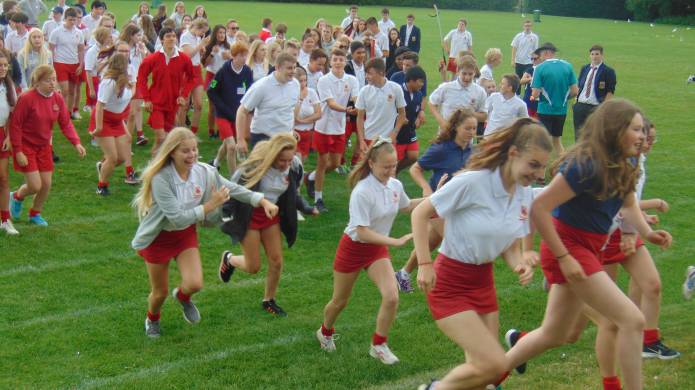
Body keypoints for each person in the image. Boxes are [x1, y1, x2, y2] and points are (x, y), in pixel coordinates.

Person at [502, 99, 672, 390]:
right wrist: (565, 256)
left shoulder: (627, 162)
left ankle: (486, 377)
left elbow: (628, 202)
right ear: (614, 129)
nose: (643, 136)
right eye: (636, 129)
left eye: (644, 129)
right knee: (631, 319)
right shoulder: (586, 165)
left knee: (555, 335)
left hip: (587, 249)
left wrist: (646, 232)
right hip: (570, 247)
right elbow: (540, 208)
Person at [414, 119, 550, 390]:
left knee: (484, 373)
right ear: (513, 154)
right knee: (496, 365)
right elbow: (420, 213)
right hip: (450, 282)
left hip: (482, 281)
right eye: (533, 164)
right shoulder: (473, 182)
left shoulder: (522, 193)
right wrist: (424, 263)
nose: (538, 174)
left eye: (543, 167)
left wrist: (519, 263)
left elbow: (508, 244)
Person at [131, 127, 275, 338]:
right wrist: (210, 205)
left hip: (184, 234)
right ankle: (152, 318)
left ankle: (182, 297)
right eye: (185, 151)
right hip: (159, 238)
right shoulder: (161, 179)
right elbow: (177, 217)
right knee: (159, 292)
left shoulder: (204, 172)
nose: (192, 155)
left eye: (194, 150)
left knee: (195, 283)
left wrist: (261, 201)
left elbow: (231, 188)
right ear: (172, 152)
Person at [316, 138, 421, 365]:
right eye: (386, 166)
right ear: (371, 164)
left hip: (376, 249)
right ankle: (324, 332)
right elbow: (361, 232)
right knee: (340, 301)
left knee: (392, 296)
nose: (391, 171)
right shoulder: (362, 191)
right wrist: (393, 241)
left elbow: (407, 206)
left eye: (394, 166)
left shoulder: (395, 185)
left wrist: (436, 198)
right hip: (353, 248)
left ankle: (378, 344)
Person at [218, 133, 315, 317]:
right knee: (253, 267)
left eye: (289, 159)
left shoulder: (294, 166)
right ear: (272, 155)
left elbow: (293, 193)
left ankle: (269, 300)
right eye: (281, 160)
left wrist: (307, 208)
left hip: (271, 214)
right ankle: (229, 259)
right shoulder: (253, 167)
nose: (286, 164)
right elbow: (233, 189)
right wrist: (227, 212)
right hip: (249, 215)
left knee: (277, 261)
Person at [395, 109, 476, 293]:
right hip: (439, 203)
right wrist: (426, 188)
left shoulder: (472, 151)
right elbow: (415, 169)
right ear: (456, 128)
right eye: (468, 128)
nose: (472, 132)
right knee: (454, 241)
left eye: (474, 128)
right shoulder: (442, 149)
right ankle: (452, 283)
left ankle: (403, 273)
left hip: (459, 206)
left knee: (430, 242)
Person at [9, 65, 86, 226]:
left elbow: (65, 123)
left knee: (46, 185)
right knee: (35, 185)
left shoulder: (57, 98)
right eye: (47, 80)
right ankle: (16, 197)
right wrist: (18, 151)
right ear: (37, 83)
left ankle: (35, 214)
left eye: (54, 79)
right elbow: (15, 125)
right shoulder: (27, 98)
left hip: (44, 147)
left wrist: (76, 142)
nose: (52, 83)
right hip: (26, 146)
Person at [305, 48, 359, 213]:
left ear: (345, 62)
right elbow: (330, 103)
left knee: (335, 163)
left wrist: (358, 107)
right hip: (324, 126)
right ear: (331, 61)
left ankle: (310, 177)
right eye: (335, 59)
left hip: (339, 127)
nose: (337, 62)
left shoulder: (352, 80)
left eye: (341, 60)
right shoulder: (324, 80)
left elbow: (356, 99)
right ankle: (318, 199)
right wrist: (348, 110)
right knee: (322, 163)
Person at [136, 27, 195, 154]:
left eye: (174, 36)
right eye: (168, 36)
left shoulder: (184, 59)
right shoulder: (153, 58)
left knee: (166, 139)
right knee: (161, 137)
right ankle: (155, 168)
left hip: (172, 104)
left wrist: (183, 95)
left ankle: (157, 167)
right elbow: (141, 78)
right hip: (156, 103)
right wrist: (146, 99)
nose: (172, 38)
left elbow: (192, 78)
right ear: (162, 39)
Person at [88, 52, 135, 196]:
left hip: (117, 120)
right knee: (113, 157)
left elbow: (128, 96)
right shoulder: (109, 82)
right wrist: (99, 127)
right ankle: (102, 185)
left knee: (121, 157)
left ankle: (103, 166)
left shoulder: (126, 80)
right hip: (105, 120)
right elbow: (100, 105)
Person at [236, 52, 299, 154]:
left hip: (286, 137)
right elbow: (242, 111)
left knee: (284, 168)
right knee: (263, 169)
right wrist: (240, 139)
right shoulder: (262, 86)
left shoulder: (295, 84)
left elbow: (289, 110)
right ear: (278, 67)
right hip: (264, 137)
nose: (293, 71)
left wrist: (292, 130)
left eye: (294, 68)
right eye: (289, 68)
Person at [207, 41, 253, 175]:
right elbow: (211, 90)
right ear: (233, 56)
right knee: (232, 146)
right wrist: (220, 107)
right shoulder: (223, 71)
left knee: (228, 143)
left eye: (246, 55)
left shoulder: (247, 71)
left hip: (238, 115)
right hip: (223, 115)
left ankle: (215, 163)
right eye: (241, 55)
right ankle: (234, 181)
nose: (244, 58)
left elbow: (250, 91)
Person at [530, 42, 578, 155]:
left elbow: (535, 94)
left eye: (540, 54)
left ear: (546, 53)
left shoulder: (539, 68)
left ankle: (541, 171)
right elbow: (575, 91)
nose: (539, 57)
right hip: (561, 110)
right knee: (557, 141)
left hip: (545, 110)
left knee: (542, 143)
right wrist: (564, 98)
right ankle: (564, 167)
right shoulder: (568, 66)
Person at [356, 58, 406, 152]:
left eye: (370, 73)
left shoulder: (395, 89)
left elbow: (402, 114)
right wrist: (361, 140)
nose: (367, 76)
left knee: (386, 165)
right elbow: (360, 117)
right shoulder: (364, 91)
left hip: (387, 139)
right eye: (366, 73)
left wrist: (393, 135)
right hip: (369, 137)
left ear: (381, 73)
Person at [429, 56, 487, 131]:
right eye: (464, 74)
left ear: (475, 73)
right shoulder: (447, 87)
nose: (467, 77)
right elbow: (431, 103)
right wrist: (442, 122)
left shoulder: (480, 92)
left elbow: (484, 116)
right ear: (458, 71)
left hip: (466, 138)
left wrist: (470, 114)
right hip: (446, 134)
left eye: (470, 74)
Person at [573, 44, 616, 140]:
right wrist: (576, 101)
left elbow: (610, 91)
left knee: (594, 135)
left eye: (597, 54)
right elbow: (579, 85)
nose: (594, 56)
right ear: (590, 55)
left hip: (595, 106)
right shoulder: (585, 68)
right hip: (580, 105)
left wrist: (604, 107)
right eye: (592, 54)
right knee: (578, 134)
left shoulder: (608, 71)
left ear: (602, 55)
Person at [48, 7, 84, 122]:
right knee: (65, 90)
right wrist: (52, 65)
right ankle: (59, 112)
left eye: (74, 20)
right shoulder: (56, 32)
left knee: (73, 90)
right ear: (65, 19)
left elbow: (80, 50)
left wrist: (81, 64)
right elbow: (51, 49)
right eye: (70, 20)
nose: (72, 22)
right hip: (60, 63)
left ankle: (69, 113)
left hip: (74, 63)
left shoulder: (79, 32)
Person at [178, 18, 208, 135]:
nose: (202, 34)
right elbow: (187, 55)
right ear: (196, 28)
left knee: (199, 104)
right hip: (187, 72)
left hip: (197, 70)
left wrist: (201, 51)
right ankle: (181, 132)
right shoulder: (186, 36)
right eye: (202, 31)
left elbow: (196, 55)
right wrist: (200, 45)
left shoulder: (197, 37)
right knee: (184, 104)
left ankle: (193, 132)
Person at [202, 24, 231, 139]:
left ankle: (221, 129)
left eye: (223, 33)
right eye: (219, 33)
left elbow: (233, 63)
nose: (221, 35)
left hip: (224, 78)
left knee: (223, 105)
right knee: (212, 105)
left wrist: (229, 57)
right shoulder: (210, 46)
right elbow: (204, 64)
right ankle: (211, 130)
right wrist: (213, 53)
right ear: (215, 34)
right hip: (213, 78)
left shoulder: (228, 47)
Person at [395, 66, 426, 173]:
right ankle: (391, 174)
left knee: (413, 157)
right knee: (394, 160)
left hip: (410, 131)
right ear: (411, 81)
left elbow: (416, 110)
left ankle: (395, 171)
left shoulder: (418, 94)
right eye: (420, 82)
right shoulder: (398, 91)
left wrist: (418, 118)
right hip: (397, 132)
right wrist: (399, 119)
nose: (422, 85)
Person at [0, 51, 18, 235]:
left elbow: (13, 115)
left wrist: (9, 136)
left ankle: (5, 219)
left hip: (2, 135)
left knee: (3, 179)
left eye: (5, 65)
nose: (3, 68)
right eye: (0, 65)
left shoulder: (8, 85)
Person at [293, 66, 321, 161]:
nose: (303, 83)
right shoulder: (291, 92)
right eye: (300, 81)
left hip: (307, 132)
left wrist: (302, 121)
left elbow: (318, 113)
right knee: (297, 160)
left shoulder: (312, 92)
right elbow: (293, 116)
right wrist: (300, 99)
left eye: (305, 80)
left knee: (303, 160)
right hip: (295, 132)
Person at [510, 19, 539, 83]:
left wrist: (535, 62)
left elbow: (536, 50)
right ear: (523, 26)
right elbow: (514, 47)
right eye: (526, 26)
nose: (527, 27)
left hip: (529, 62)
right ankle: (517, 93)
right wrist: (513, 60)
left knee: (527, 80)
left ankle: (526, 92)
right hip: (518, 61)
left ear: (531, 27)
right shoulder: (518, 36)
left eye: (529, 26)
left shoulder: (535, 37)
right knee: (518, 80)